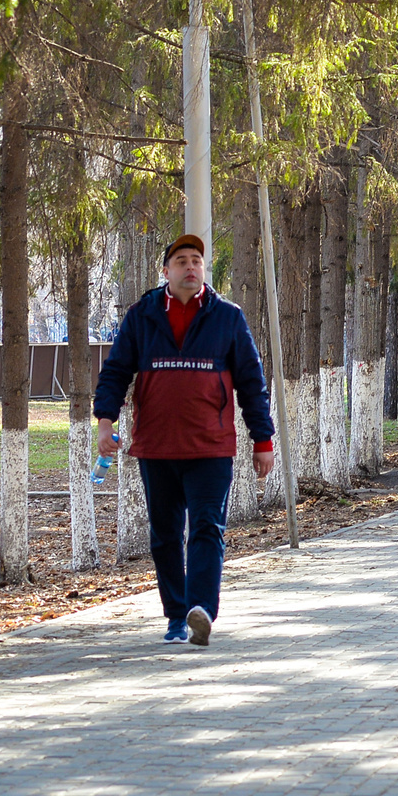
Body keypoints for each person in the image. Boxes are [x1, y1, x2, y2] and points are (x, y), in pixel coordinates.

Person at [95, 233, 277, 645]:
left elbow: (251, 382)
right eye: (181, 261)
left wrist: (262, 440)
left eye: (196, 260)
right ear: (166, 271)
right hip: (156, 447)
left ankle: (200, 610)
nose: (190, 267)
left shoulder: (227, 317)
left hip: (210, 447)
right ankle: (176, 615)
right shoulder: (142, 315)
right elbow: (115, 373)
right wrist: (105, 423)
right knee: (164, 533)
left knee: (208, 528)